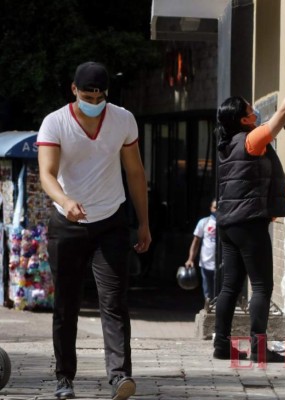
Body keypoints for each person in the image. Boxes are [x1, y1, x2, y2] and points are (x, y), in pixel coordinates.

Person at [37, 61, 151, 400]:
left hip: (111, 223)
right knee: (67, 303)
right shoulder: (55, 123)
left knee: (114, 301)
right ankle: (64, 379)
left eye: (100, 96)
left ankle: (120, 377)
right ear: (74, 90)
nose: (94, 101)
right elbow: (47, 173)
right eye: (88, 95)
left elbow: (134, 172)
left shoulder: (123, 120)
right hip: (67, 224)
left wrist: (143, 223)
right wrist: (65, 200)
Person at [213, 49, 285, 362]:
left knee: (229, 287)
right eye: (252, 111)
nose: (257, 114)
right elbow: (281, 114)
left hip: (228, 224)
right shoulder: (251, 140)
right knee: (263, 285)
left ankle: (221, 345)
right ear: (244, 119)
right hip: (249, 223)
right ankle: (258, 349)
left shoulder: (226, 145)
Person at [185, 199, 217, 309]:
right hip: (206, 263)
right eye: (215, 207)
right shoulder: (204, 222)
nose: (217, 210)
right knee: (207, 292)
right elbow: (196, 242)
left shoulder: (225, 223)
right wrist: (190, 259)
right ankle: (208, 312)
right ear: (211, 208)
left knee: (221, 293)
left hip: (222, 265)